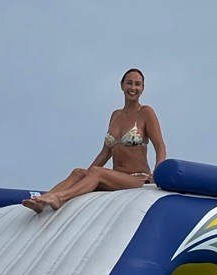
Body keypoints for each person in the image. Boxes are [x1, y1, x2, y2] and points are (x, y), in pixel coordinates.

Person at [24, 68, 167, 212]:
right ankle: (41, 202)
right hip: (116, 177)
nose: (133, 88)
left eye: (137, 84)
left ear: (143, 88)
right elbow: (105, 152)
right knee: (78, 172)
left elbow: (160, 145)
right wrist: (86, 175)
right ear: (122, 85)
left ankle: (59, 198)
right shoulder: (115, 115)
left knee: (96, 172)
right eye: (129, 83)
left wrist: (157, 172)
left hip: (137, 179)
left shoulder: (146, 112)